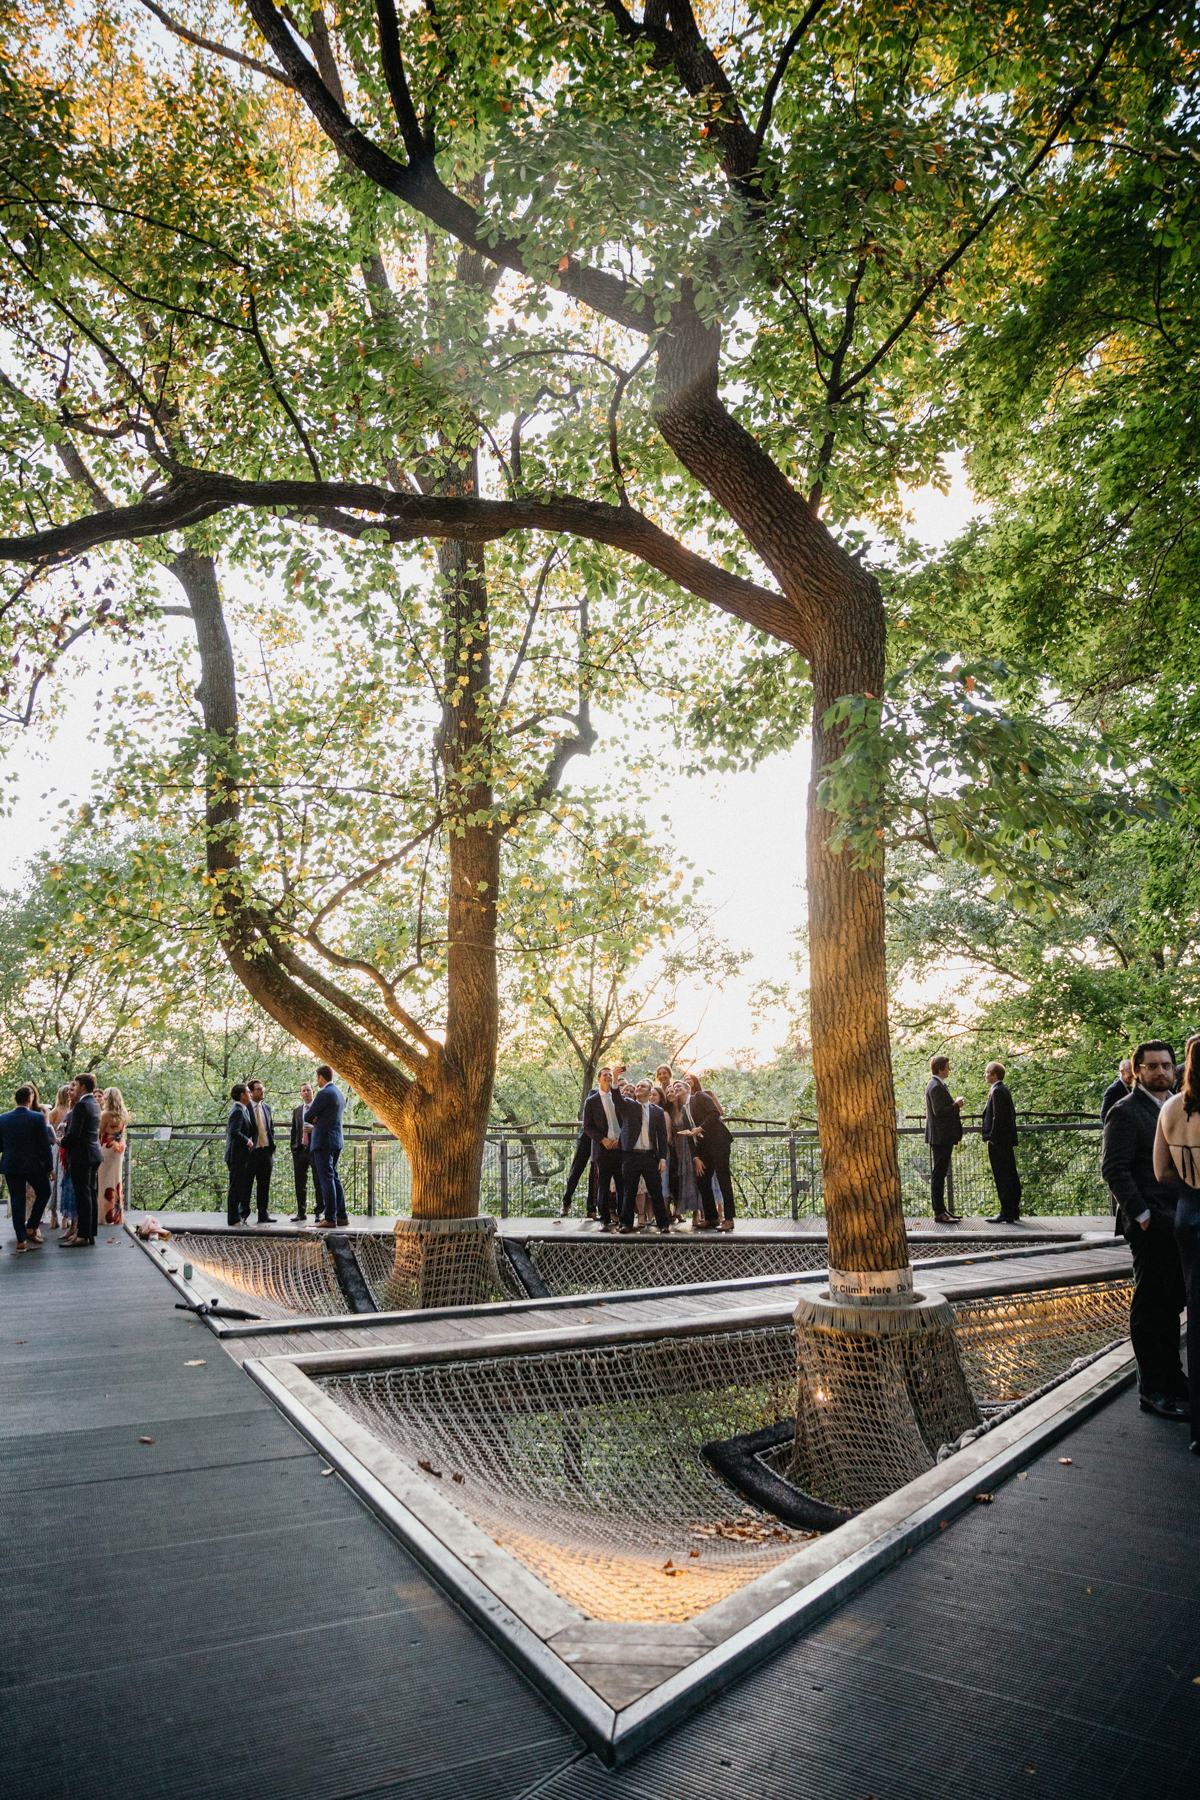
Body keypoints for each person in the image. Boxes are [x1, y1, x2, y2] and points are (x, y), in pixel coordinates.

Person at [1102, 1040, 1188, 1422]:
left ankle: (1174, 1379)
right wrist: (1141, 1215)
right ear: (1136, 1071)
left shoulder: (1181, 1108)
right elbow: (1114, 1169)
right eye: (1152, 1066)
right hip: (1150, 1224)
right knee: (1151, 1309)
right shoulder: (1125, 1112)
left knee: (1172, 1306)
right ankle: (1152, 1390)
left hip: (1180, 1221)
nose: (1161, 1073)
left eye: (1167, 1065)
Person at [1153, 1033, 1200, 1456]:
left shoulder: (1170, 1108)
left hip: (1189, 1212)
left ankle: (1199, 1430)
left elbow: (1160, 1172)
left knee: (1197, 1319)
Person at [0, 1084, 56, 1252]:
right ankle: (31, 1226)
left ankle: (21, 1240)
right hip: (33, 1165)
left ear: (15, 1099)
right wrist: (49, 1167)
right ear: (30, 1099)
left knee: (17, 1201)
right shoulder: (37, 1118)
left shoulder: (2, 1118)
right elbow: (44, 1145)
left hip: (11, 1164)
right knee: (44, 1192)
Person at [613, 1079, 670, 1233]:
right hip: (631, 1156)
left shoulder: (657, 1111)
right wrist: (614, 1082)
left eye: (642, 1086)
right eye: (637, 1086)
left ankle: (663, 1224)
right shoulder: (628, 1106)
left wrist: (662, 1158)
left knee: (656, 1191)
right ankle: (626, 1223)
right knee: (629, 1191)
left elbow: (662, 1137)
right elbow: (617, 1098)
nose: (638, 1088)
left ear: (650, 1091)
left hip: (650, 1156)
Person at [686, 1074, 735, 1231]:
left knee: (723, 1178)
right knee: (702, 1178)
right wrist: (696, 1157)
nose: (685, 1082)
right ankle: (712, 1217)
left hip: (719, 1141)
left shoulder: (700, 1095)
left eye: (688, 1080)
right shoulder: (684, 1106)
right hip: (705, 1146)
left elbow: (715, 1113)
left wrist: (701, 1128)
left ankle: (729, 1219)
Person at [61, 1073, 102, 1247]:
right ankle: (90, 1232)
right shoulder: (95, 1104)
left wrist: (61, 1141)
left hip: (81, 1156)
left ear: (83, 1087)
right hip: (94, 1154)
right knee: (91, 1195)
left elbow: (74, 1136)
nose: (74, 1088)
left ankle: (83, 1236)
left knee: (82, 1196)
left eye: (75, 1085)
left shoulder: (80, 1106)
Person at [305, 1064, 347, 1227]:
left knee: (326, 1178)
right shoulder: (339, 1093)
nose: (317, 1081)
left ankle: (330, 1217)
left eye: (317, 1078)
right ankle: (342, 1214)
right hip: (336, 1140)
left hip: (323, 1140)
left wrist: (315, 1118)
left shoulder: (324, 1094)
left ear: (321, 1077)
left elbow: (308, 1115)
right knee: (334, 1176)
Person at [924, 1054, 964, 1225]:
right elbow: (939, 1111)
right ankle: (939, 1212)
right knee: (938, 1174)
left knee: (940, 1173)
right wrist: (957, 1105)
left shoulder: (937, 1085)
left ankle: (942, 1210)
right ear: (940, 1068)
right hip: (940, 1137)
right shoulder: (935, 1087)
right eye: (947, 1066)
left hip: (942, 1136)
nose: (949, 1069)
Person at [582, 1067, 623, 1231]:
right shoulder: (591, 1101)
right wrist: (603, 1140)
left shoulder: (618, 1098)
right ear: (598, 1079)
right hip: (603, 1149)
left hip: (620, 1148)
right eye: (605, 1075)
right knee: (603, 1186)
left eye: (610, 1075)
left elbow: (625, 1120)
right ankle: (604, 1219)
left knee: (622, 1185)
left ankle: (623, 1218)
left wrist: (621, 1139)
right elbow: (587, 1126)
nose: (608, 1077)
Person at [981, 1062, 1022, 1224]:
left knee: (1002, 1175)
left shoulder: (997, 1091)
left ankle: (1006, 1210)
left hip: (998, 1142)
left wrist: (991, 1137)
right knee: (1010, 1174)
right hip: (1005, 1140)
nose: (985, 1075)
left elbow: (997, 1117)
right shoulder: (1003, 1090)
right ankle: (1013, 1210)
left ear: (994, 1075)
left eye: (986, 1072)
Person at [245, 1079, 278, 1224]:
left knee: (264, 1185)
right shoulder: (245, 1109)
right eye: (258, 1089)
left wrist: (271, 1147)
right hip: (251, 1153)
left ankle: (263, 1214)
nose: (262, 1091)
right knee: (247, 1184)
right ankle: (243, 1213)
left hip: (266, 1152)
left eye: (262, 1088)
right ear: (251, 1093)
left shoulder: (267, 1108)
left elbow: (270, 1128)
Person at [224, 1082, 256, 1227]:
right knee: (235, 1188)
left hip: (241, 1156)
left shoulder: (244, 1110)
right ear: (242, 1095)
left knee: (239, 1187)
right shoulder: (237, 1110)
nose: (250, 1094)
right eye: (248, 1092)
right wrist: (247, 1141)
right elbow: (234, 1132)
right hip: (236, 1156)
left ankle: (235, 1217)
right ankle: (233, 1219)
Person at [98, 1087, 129, 1228]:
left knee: (103, 1180)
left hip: (107, 1146)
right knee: (116, 1179)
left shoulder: (105, 1115)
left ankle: (103, 1216)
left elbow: (99, 1131)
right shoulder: (124, 1114)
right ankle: (117, 1216)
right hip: (120, 1146)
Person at [47, 1084, 72, 1230]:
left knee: (54, 1182)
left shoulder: (52, 1113)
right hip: (65, 1147)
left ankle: (53, 1216)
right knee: (65, 1180)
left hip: (54, 1148)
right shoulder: (70, 1112)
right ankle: (66, 1218)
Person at [290, 1081, 315, 1221]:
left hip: (314, 1150)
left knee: (318, 1181)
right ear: (300, 1094)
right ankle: (301, 1212)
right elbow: (294, 1130)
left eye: (308, 1090)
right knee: (300, 1183)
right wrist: (293, 1148)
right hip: (300, 1151)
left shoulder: (317, 1108)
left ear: (313, 1092)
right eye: (303, 1091)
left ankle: (319, 1213)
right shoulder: (297, 1110)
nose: (306, 1093)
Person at [1101, 1058, 1135, 1123]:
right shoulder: (1114, 1089)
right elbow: (1104, 1114)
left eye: (1134, 1072)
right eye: (1130, 1071)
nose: (1133, 1075)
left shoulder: (1128, 1088)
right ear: (1122, 1072)